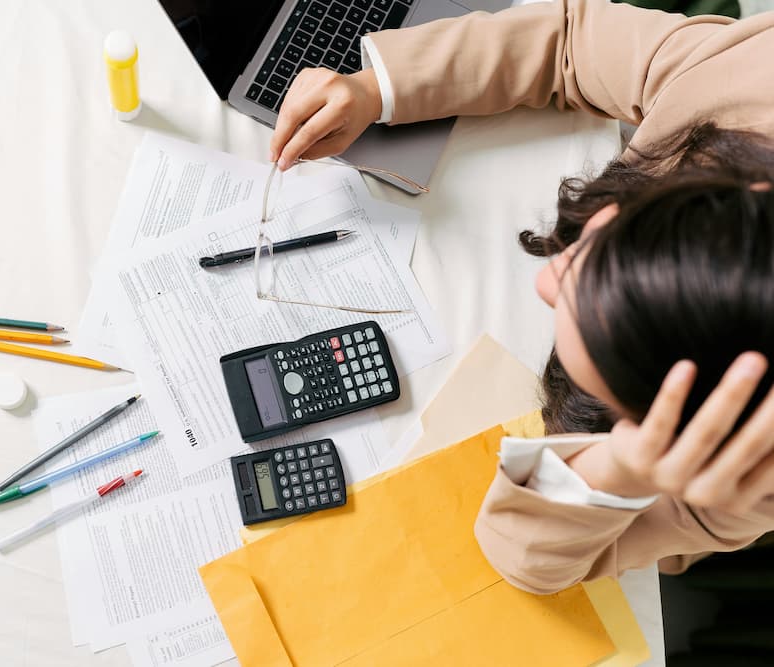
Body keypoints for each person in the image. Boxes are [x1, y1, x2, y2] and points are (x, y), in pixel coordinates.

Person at [269, 0, 774, 594]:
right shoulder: (742, 77)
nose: (542, 279)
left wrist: (625, 465)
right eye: (590, 251)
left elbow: (528, 563)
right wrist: (377, 86)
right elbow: (568, 43)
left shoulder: (746, 468)